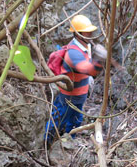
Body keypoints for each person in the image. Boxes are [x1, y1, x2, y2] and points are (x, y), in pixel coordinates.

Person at [45, 14, 107, 144]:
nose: (91, 33)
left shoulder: (85, 46)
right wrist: (100, 59)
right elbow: (90, 69)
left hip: (80, 95)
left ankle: (69, 141)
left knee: (75, 120)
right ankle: (46, 142)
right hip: (69, 97)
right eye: (87, 31)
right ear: (78, 34)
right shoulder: (73, 53)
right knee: (58, 119)